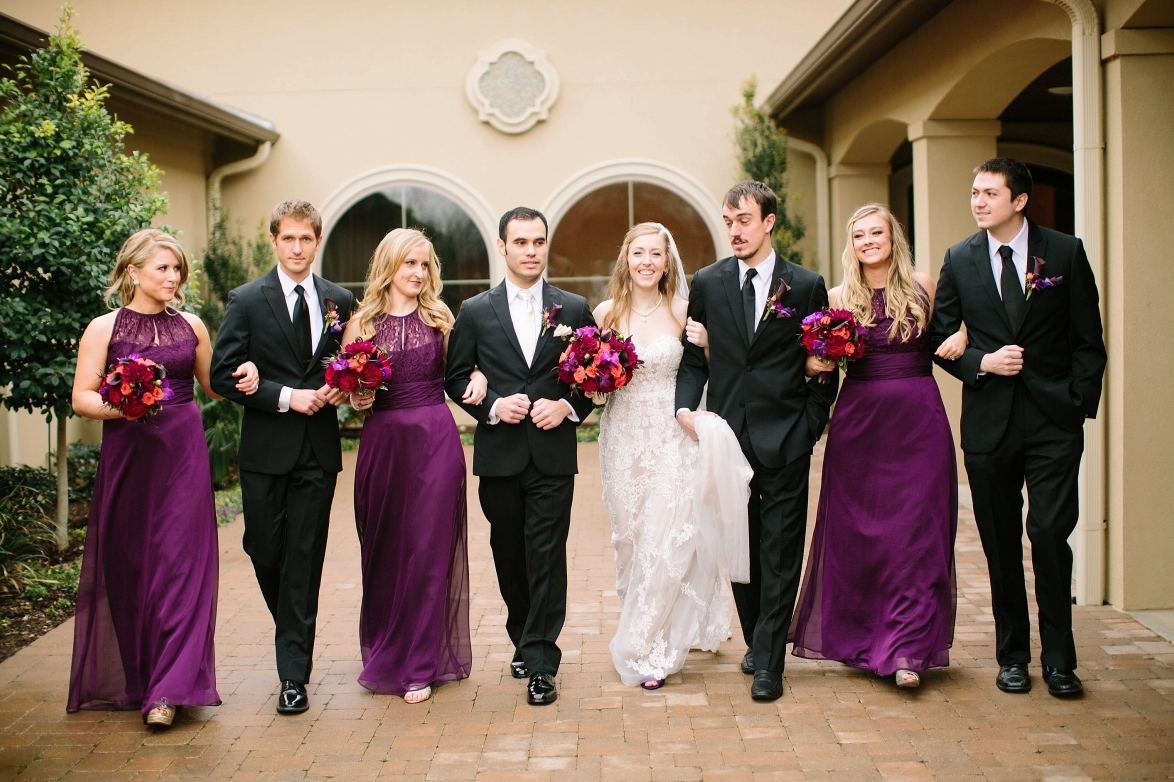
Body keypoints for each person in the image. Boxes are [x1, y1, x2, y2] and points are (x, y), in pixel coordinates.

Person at [68, 229, 259, 727]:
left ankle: (168, 691)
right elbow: (82, 397)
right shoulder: (103, 329)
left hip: (181, 454)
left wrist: (249, 375)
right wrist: (121, 405)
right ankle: (142, 677)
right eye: (163, 269)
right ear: (133, 272)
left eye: (178, 270)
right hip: (129, 454)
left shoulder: (192, 325)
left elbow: (213, 387)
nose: (173, 278)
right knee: (132, 564)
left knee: (180, 564)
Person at [930, 158, 1106, 698]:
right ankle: (1012, 657)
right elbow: (940, 337)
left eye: (989, 193)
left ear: (1019, 200)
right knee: (1001, 542)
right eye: (974, 192)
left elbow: (1087, 338)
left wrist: (1077, 402)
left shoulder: (1065, 252)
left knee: (1049, 535)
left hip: (1054, 420)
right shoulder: (959, 258)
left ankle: (1059, 660)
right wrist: (981, 362)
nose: (978, 201)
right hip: (990, 422)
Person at [676, 181, 839, 701]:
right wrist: (685, 409)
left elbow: (824, 363)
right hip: (727, 439)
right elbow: (693, 358)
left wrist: (810, 424)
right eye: (728, 221)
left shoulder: (807, 284)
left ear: (769, 221)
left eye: (743, 220)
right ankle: (757, 638)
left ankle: (769, 662)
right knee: (739, 550)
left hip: (786, 437)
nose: (734, 231)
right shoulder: (708, 281)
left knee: (780, 548)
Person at [788, 204, 963, 688]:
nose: (868, 241)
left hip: (919, 423)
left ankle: (908, 650)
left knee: (917, 535)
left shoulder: (924, 286)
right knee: (864, 536)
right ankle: (864, 641)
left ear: (893, 237)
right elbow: (811, 362)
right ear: (853, 244)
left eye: (876, 233)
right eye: (859, 235)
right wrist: (815, 366)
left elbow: (957, 326)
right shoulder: (838, 296)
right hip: (860, 426)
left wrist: (966, 334)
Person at [444, 207, 597, 706]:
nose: (531, 251)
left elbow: (596, 374)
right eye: (522, 242)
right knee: (509, 556)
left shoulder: (573, 308)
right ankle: (522, 633)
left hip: (553, 457)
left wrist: (568, 406)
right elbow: (454, 377)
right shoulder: (474, 311)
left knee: (547, 555)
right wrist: (491, 405)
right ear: (503, 246)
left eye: (539, 242)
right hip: (500, 457)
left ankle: (540, 661)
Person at [210, 200, 356, 715]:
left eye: (306, 239)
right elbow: (222, 374)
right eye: (288, 238)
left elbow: (352, 366)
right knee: (264, 549)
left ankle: (293, 674)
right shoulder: (247, 300)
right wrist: (283, 395)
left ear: (318, 242)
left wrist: (343, 388)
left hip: (317, 453)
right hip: (265, 451)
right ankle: (292, 625)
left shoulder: (341, 300)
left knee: (304, 560)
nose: (297, 248)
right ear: (273, 240)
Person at [597, 222, 751, 690]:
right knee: (631, 537)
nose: (646, 261)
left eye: (655, 254)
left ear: (667, 262)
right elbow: (586, 374)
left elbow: (716, 367)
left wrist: (708, 345)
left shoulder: (685, 311)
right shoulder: (605, 313)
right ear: (626, 258)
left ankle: (647, 645)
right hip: (622, 437)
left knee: (669, 537)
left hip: (672, 432)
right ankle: (647, 615)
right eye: (638, 252)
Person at [342, 228, 487, 703]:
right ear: (390, 265)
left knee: (428, 551)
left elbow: (462, 372)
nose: (419, 274)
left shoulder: (442, 319)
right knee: (384, 549)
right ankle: (389, 649)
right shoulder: (361, 324)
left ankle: (421, 665)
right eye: (410, 264)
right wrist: (358, 395)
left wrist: (481, 376)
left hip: (434, 442)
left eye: (425, 265)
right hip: (383, 445)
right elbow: (354, 396)